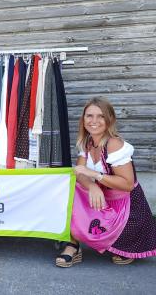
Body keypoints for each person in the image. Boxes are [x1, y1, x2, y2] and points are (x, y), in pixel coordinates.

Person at [56, 97, 156, 267]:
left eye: (100, 116)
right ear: (83, 119)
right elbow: (80, 174)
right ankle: (73, 244)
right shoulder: (86, 142)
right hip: (102, 198)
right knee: (66, 188)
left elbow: (127, 184)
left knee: (118, 253)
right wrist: (93, 186)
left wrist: (95, 175)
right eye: (89, 116)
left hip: (124, 206)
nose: (94, 121)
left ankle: (118, 242)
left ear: (109, 120)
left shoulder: (114, 144)